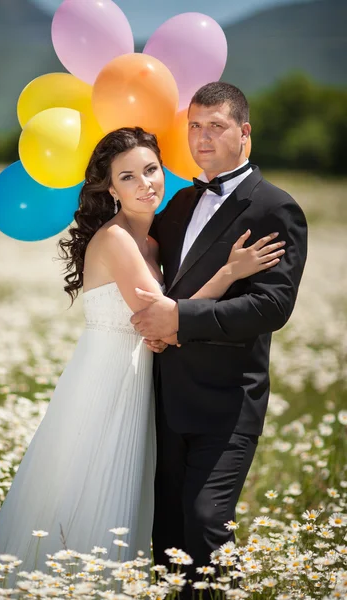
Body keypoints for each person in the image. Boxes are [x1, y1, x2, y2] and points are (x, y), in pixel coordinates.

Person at [0, 126, 285, 586]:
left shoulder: (154, 241)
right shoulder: (119, 240)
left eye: (151, 169)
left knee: (126, 499)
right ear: (109, 187)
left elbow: (168, 319)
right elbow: (160, 326)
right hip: (107, 381)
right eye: (128, 177)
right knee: (91, 489)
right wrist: (227, 273)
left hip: (139, 379)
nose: (146, 184)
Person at [130, 82, 308, 576]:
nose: (202, 138)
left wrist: (179, 319)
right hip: (164, 397)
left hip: (227, 402)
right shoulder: (177, 204)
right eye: (194, 126)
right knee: (165, 535)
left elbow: (271, 306)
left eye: (216, 126)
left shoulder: (275, 207)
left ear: (244, 133)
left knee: (207, 524)